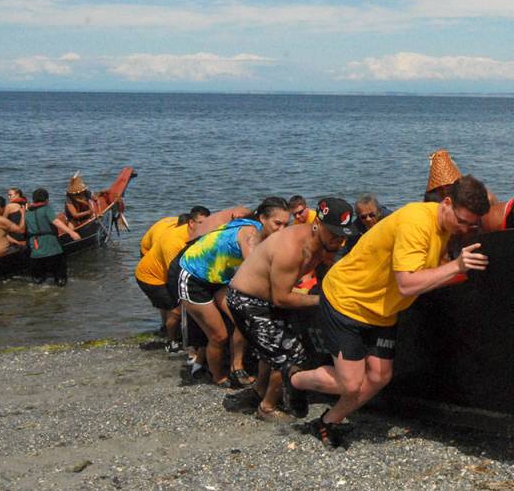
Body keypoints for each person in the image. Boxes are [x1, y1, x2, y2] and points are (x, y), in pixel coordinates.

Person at [290, 175, 490, 449]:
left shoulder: (447, 225)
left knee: (380, 376)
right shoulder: (416, 223)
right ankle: (294, 378)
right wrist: (456, 267)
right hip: (347, 301)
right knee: (351, 384)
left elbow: (431, 267)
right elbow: (407, 283)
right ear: (446, 203)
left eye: (471, 225)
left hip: (383, 310)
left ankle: (327, 421)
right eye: (462, 221)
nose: (465, 228)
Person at [228, 198, 355, 422]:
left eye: (343, 234)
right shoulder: (291, 249)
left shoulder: (325, 243)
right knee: (291, 355)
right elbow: (281, 298)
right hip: (247, 301)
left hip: (267, 298)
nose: (339, 239)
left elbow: (331, 270)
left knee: (282, 344)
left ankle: (258, 391)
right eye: (334, 233)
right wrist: (323, 301)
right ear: (318, 224)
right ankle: (267, 407)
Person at [177, 197, 291, 387]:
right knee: (218, 335)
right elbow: (256, 270)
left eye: (286, 224)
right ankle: (218, 376)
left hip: (220, 277)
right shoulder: (251, 234)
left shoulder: (264, 233)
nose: (282, 229)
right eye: (277, 223)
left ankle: (236, 367)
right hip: (194, 278)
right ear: (262, 218)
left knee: (241, 319)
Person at [135, 206, 210, 350]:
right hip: (150, 278)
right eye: (200, 223)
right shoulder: (174, 242)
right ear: (191, 223)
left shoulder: (196, 234)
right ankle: (171, 341)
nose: (204, 227)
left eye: (206, 223)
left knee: (177, 305)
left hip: (163, 270)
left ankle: (173, 330)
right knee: (176, 310)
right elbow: (174, 275)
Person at [25, 188, 81, 286]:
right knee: (61, 279)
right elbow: (56, 221)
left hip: (35, 250)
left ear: (33, 199)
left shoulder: (27, 212)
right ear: (46, 200)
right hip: (52, 248)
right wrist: (71, 232)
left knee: (38, 281)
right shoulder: (46, 208)